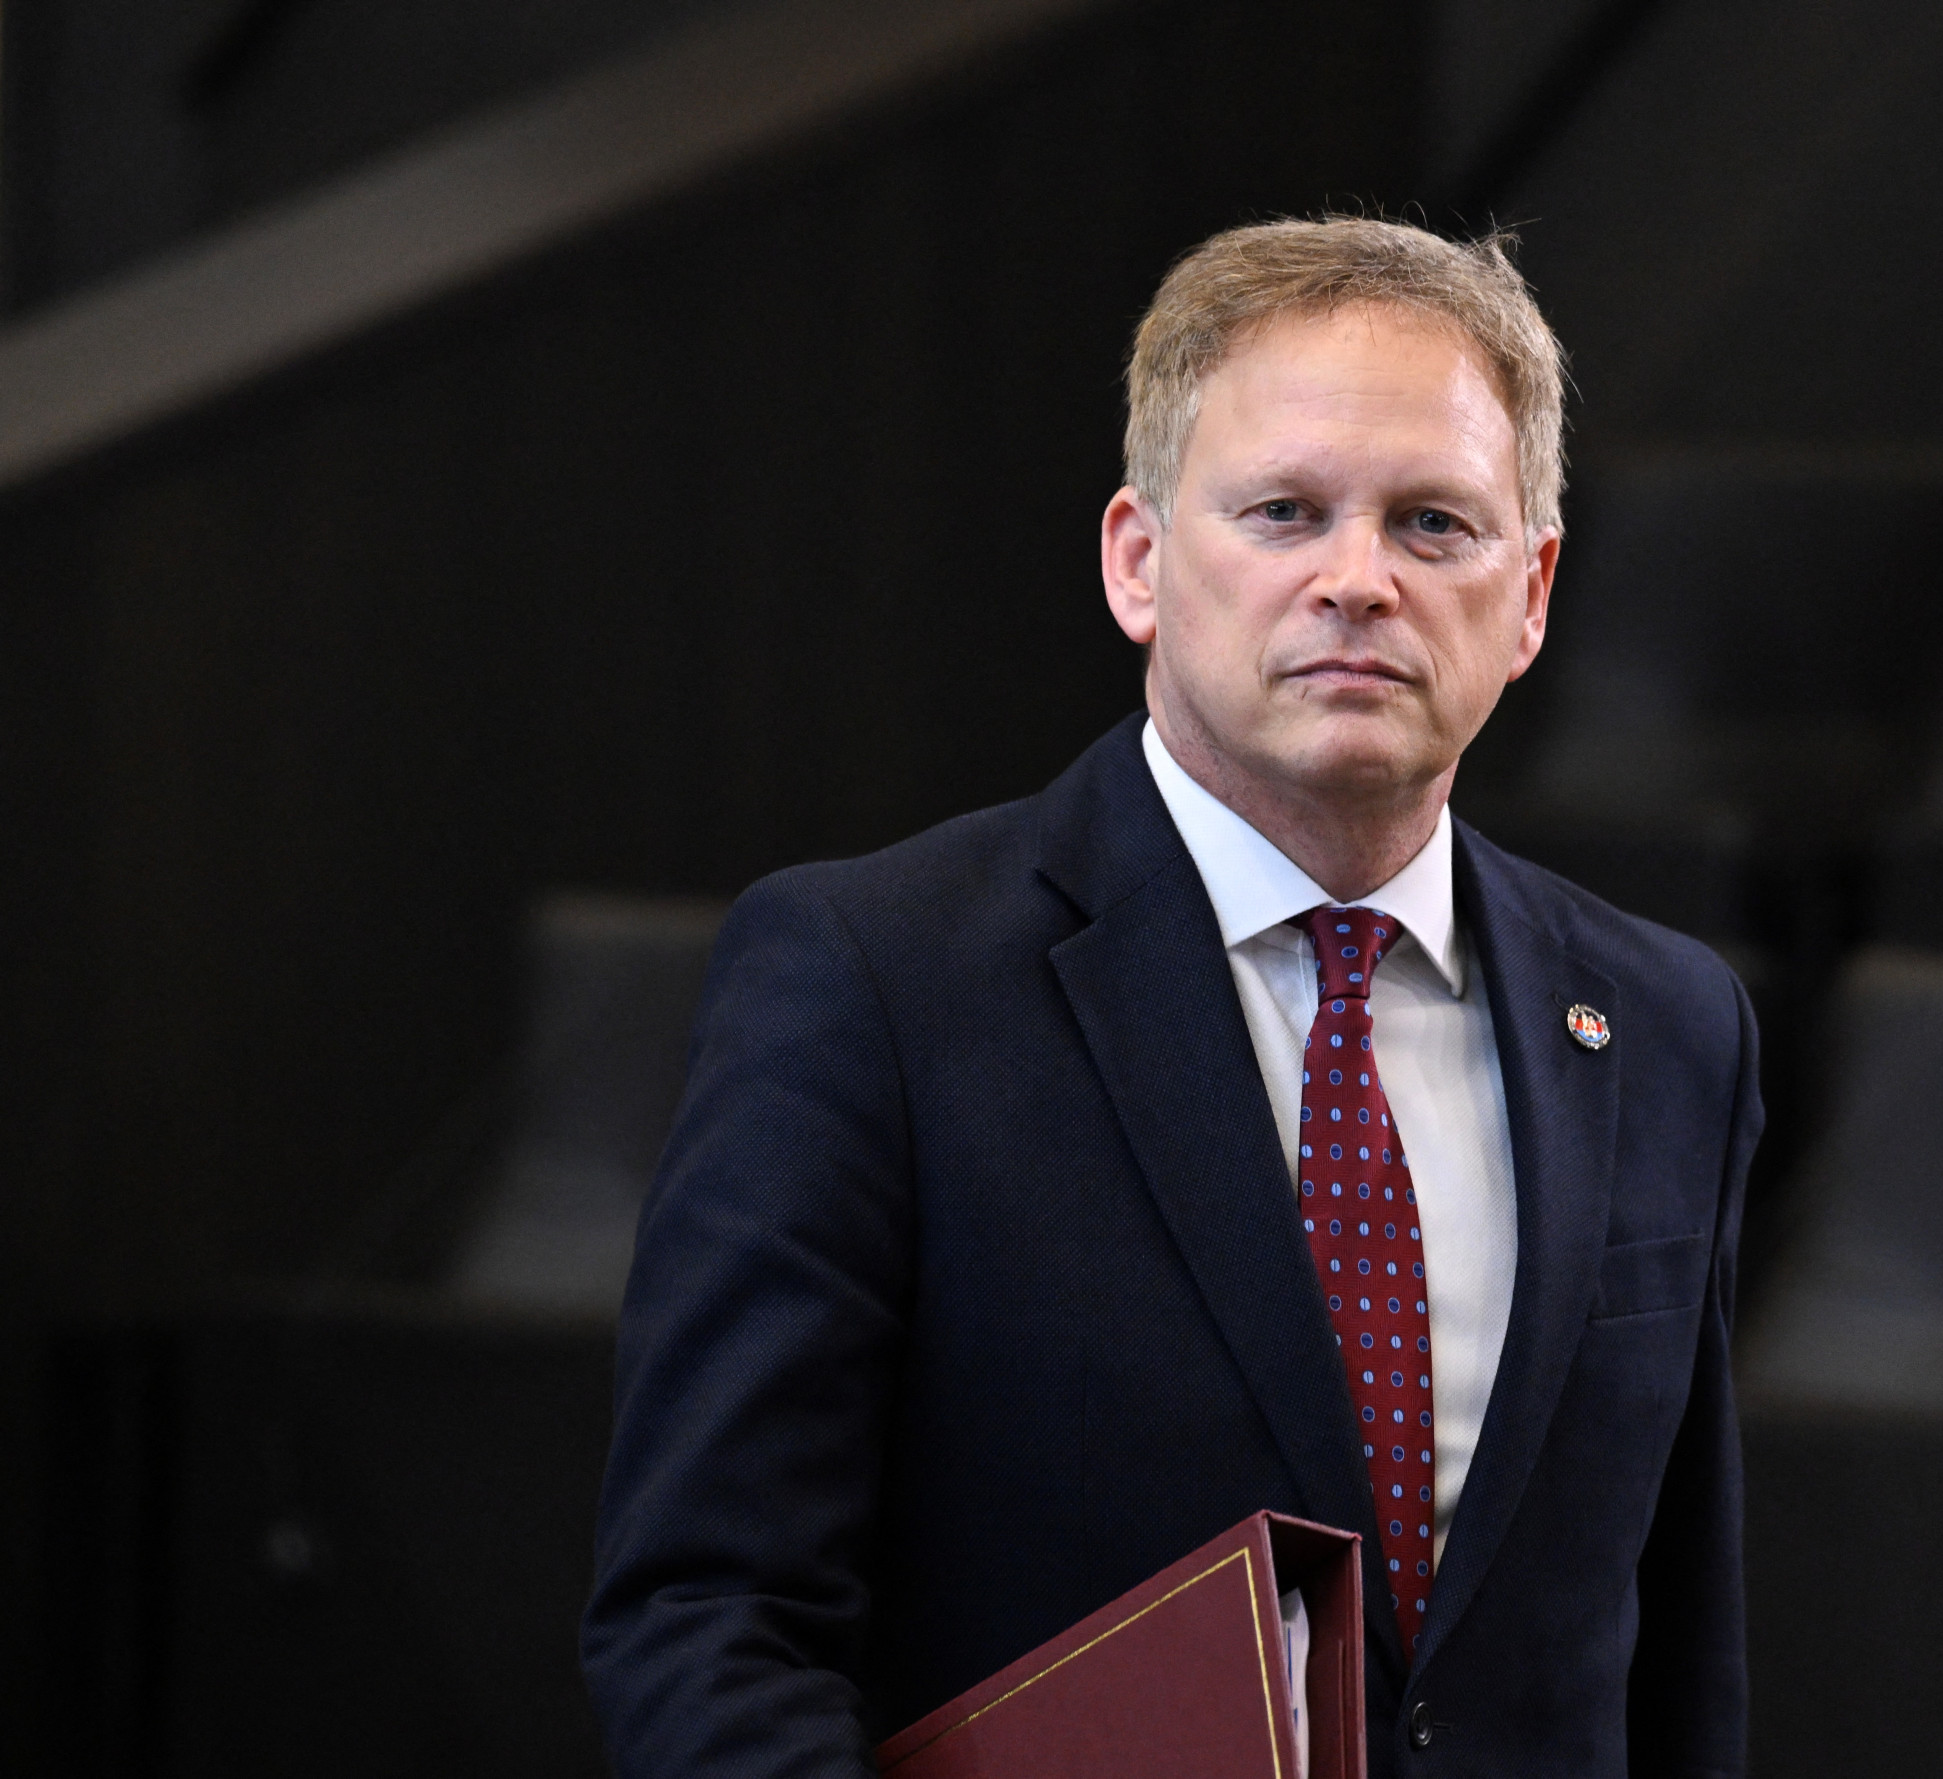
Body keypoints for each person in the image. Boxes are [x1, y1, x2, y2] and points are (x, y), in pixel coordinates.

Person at [582, 215, 1760, 1778]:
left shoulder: (1669, 1024)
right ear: (1138, 562)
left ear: (1532, 593)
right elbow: (710, 1619)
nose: (1359, 581)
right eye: (1284, 513)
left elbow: (1679, 1664)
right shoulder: (874, 982)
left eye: (1433, 524)